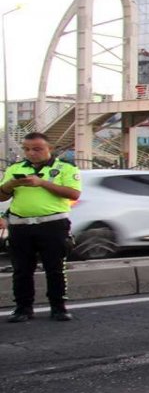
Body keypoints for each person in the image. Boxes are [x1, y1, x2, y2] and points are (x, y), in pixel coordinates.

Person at [0, 133, 81, 322]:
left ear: (49, 149)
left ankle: (58, 307)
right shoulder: (15, 168)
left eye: (37, 149)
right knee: (21, 270)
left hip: (52, 225)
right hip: (21, 226)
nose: (31, 153)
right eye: (27, 149)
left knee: (55, 268)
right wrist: (10, 184)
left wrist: (42, 183)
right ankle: (23, 308)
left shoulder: (64, 168)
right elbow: (2, 196)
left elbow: (74, 193)